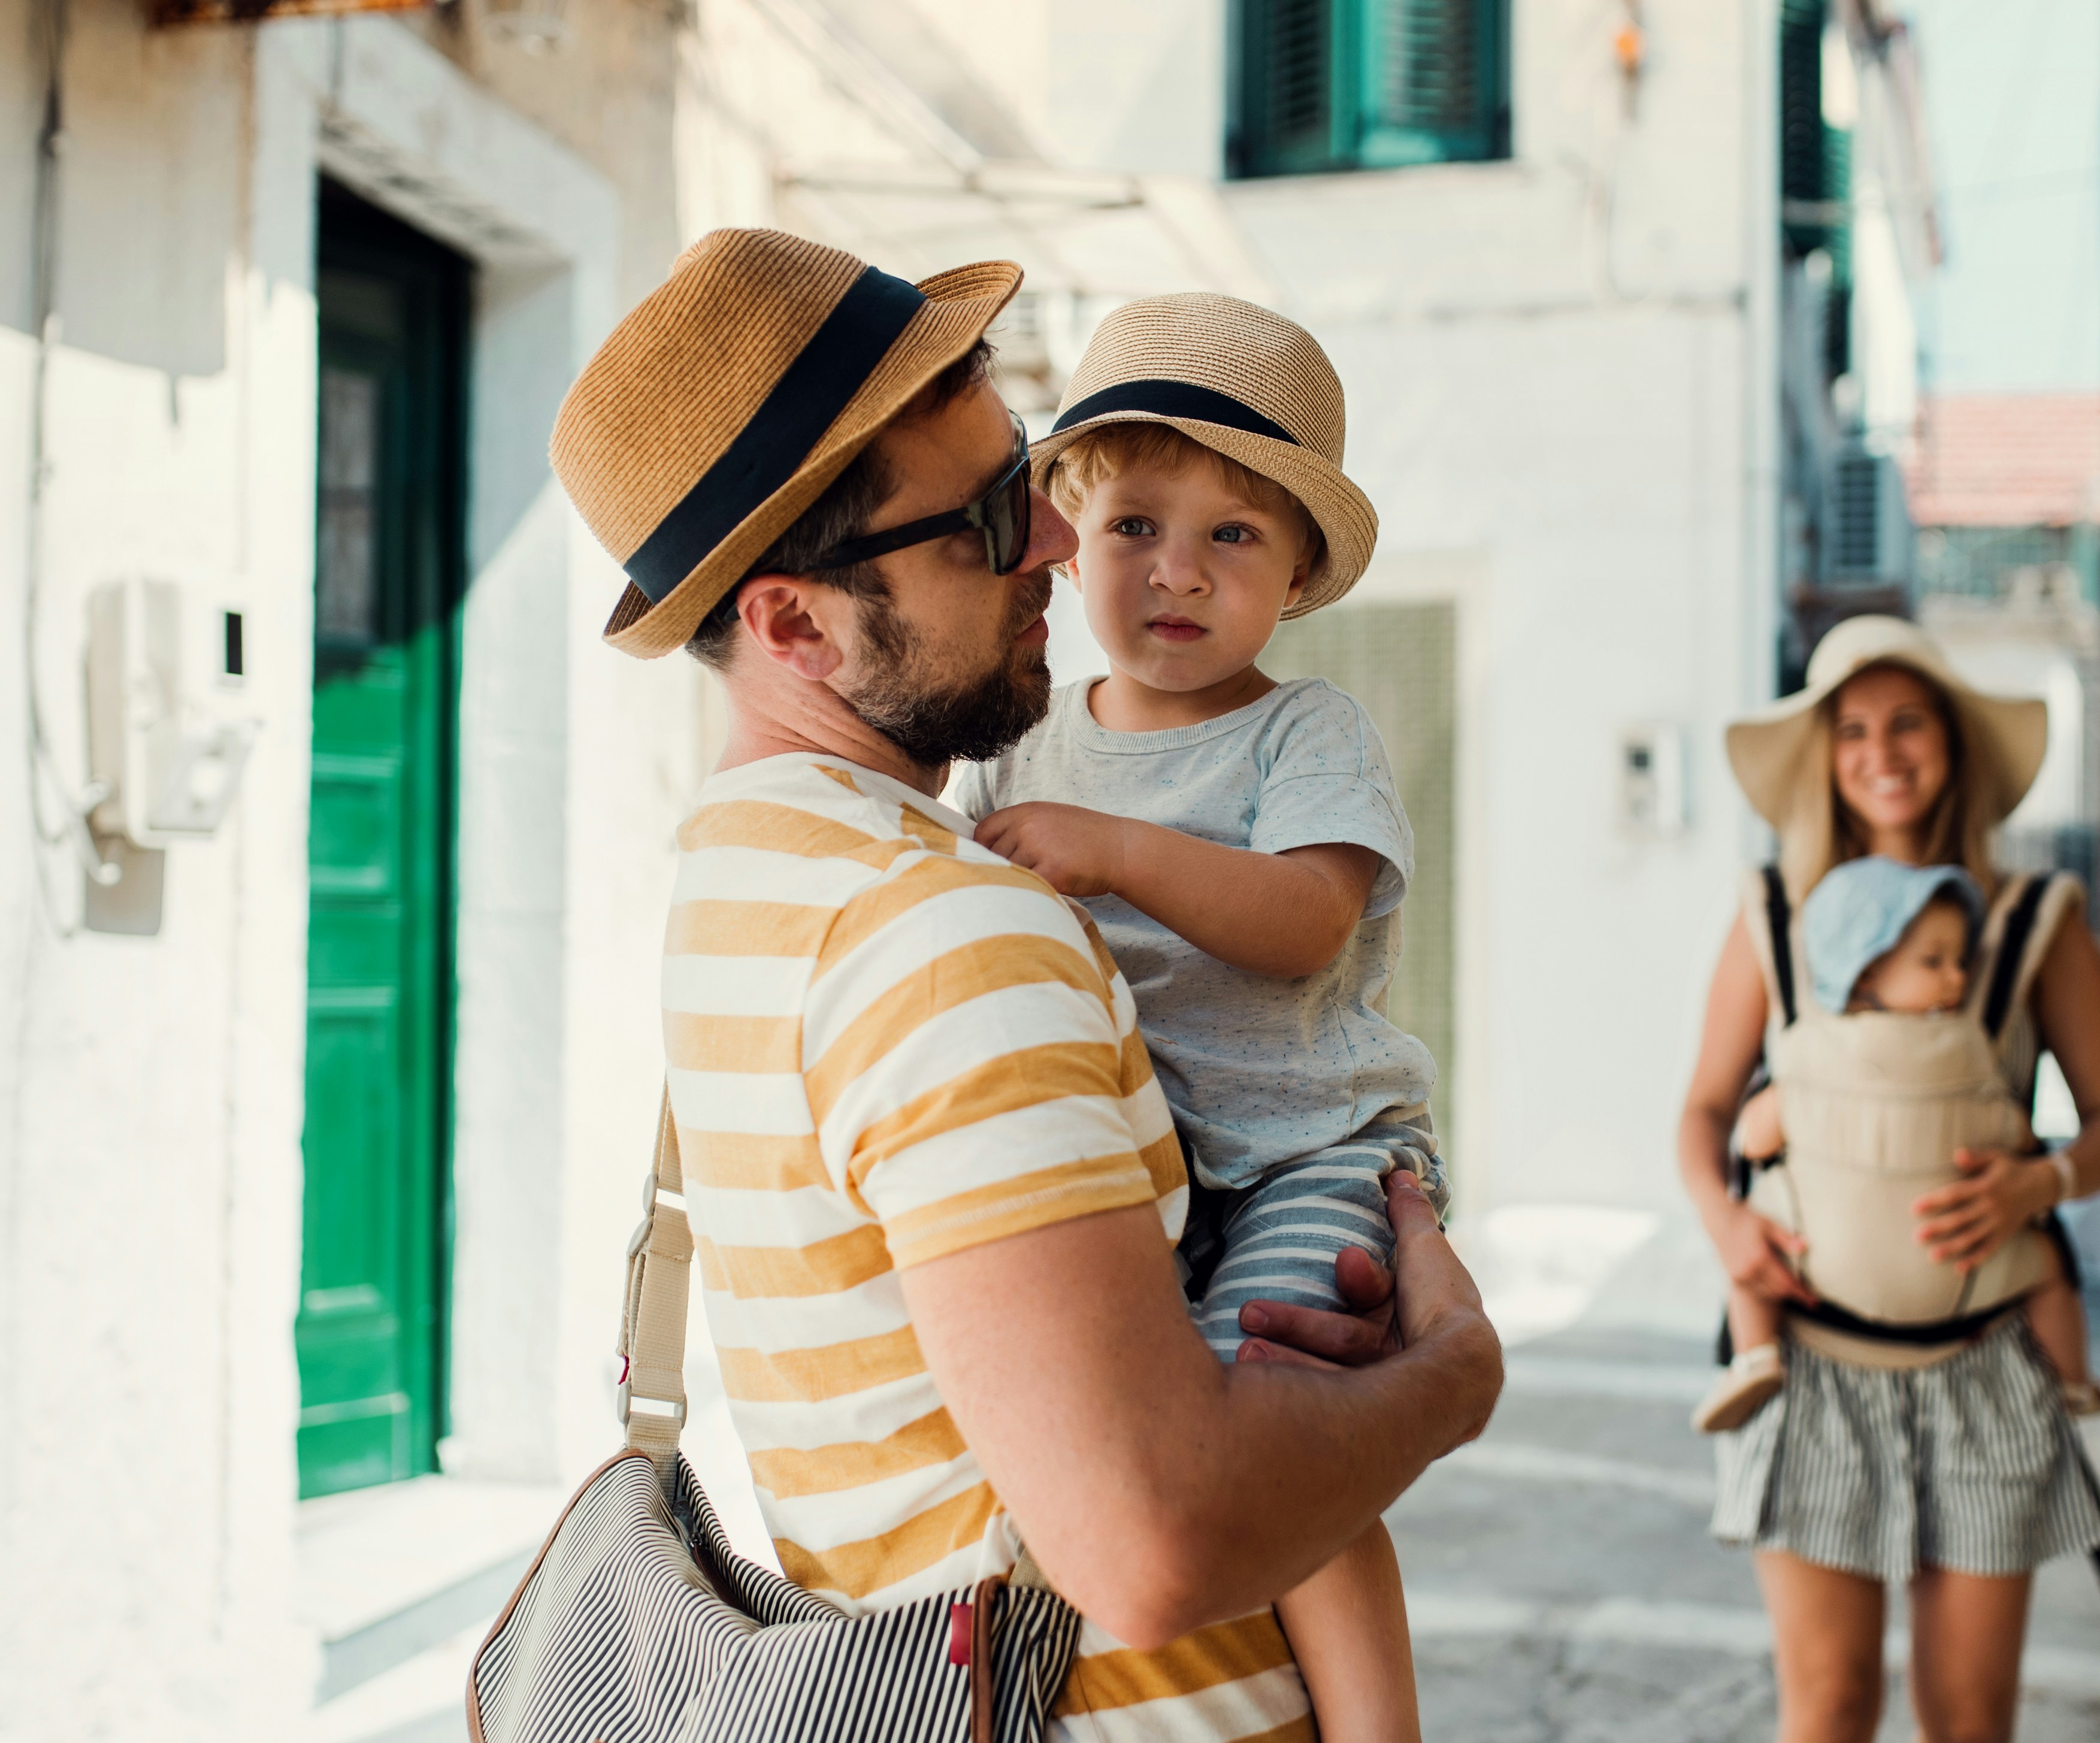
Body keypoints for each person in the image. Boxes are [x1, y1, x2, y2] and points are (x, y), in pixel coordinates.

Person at [549, 229, 1503, 1743]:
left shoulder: (744, 880)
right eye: (995, 514)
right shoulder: (940, 936)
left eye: (1029, 479)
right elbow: (1154, 1544)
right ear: (794, 622)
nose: (1060, 544)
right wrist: (1451, 1378)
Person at [950, 292, 1441, 1742]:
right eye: (1134, 526)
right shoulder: (1025, 744)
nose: (1176, 569)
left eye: (1231, 534)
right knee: (1105, 1427)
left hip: (1307, 1153)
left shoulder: (1304, 732)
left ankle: (1374, 1724)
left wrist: (1114, 851)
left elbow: (1305, 922)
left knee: (1279, 1425)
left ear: (1296, 573)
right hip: (1133, 1164)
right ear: (1068, 535)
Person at [1677, 615, 2100, 1743]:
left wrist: (2038, 1186)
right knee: (1830, 1709)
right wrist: (1728, 1226)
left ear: (1953, 743)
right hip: (1811, 1375)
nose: (1881, 752)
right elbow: (1703, 1113)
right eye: (1853, 730)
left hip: (1985, 1371)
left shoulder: (2036, 922)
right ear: (1825, 758)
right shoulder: (1773, 917)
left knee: (1967, 1721)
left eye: (1908, 723)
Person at [1692, 856, 2100, 1436]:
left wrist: (1751, 1166)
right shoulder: (1967, 1048)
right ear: (1863, 970)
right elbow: (2007, 1126)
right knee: (2048, 1266)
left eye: (1960, 961)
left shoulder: (1810, 1046)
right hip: (1937, 1288)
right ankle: (2072, 1377)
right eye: (1933, 962)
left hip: (1851, 1282)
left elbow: (1755, 1134)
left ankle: (1755, 1354)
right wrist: (2032, 1159)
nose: (1957, 979)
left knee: (1754, 1256)